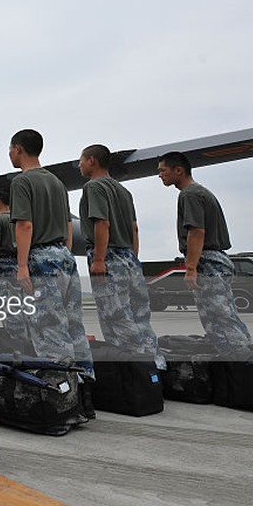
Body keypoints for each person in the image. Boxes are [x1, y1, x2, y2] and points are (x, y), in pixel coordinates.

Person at [9, 129, 93, 376]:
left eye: (11, 149)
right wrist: (63, 253)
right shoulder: (57, 183)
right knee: (74, 325)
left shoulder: (22, 182)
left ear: (19, 149)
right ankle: (85, 382)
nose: (10, 154)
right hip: (64, 257)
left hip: (41, 260)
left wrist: (22, 265)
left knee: (49, 327)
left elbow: (24, 224)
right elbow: (68, 224)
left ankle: (62, 391)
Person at [156, 151, 253, 354]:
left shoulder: (189, 194)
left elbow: (197, 231)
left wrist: (191, 268)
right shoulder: (199, 192)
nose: (160, 175)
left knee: (218, 316)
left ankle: (240, 359)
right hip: (215, 259)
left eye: (163, 170)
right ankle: (242, 355)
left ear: (179, 170)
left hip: (208, 261)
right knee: (222, 316)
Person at [79, 145, 163, 368]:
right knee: (140, 317)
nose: (79, 165)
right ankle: (155, 368)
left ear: (92, 161)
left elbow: (102, 222)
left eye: (81, 160)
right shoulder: (124, 191)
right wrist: (133, 259)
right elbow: (135, 228)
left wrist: (98, 259)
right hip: (129, 257)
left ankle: (134, 371)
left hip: (109, 257)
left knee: (116, 318)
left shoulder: (94, 187)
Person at [0, 186, 27, 343]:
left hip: (4, 268)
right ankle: (27, 341)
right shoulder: (18, 219)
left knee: (8, 308)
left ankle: (16, 343)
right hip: (20, 265)